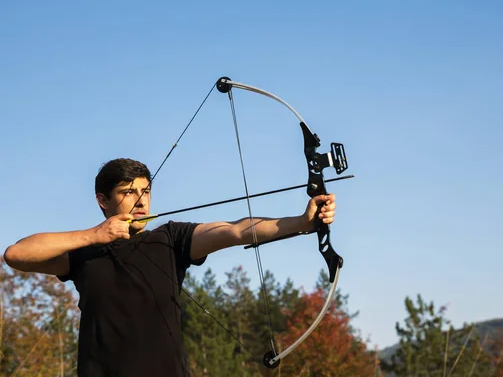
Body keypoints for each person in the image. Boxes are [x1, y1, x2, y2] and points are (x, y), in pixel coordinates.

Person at [3, 158, 338, 377]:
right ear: (102, 200)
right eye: (128, 192)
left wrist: (301, 222)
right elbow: (16, 254)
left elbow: (235, 230)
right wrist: (94, 235)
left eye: (145, 190)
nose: (140, 200)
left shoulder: (171, 237)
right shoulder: (84, 252)